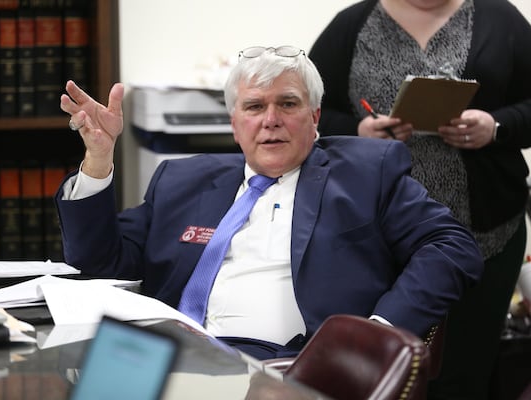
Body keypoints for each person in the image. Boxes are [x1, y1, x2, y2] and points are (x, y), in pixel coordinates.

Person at [56, 45, 483, 361]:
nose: (271, 120)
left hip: (287, 369)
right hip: (166, 359)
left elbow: (452, 247)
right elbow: (100, 263)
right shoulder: (181, 180)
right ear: (235, 123)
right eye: (255, 106)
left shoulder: (367, 172)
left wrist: (379, 332)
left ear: (315, 117)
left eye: (288, 104)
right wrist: (98, 158)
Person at [308, 0, 531, 399]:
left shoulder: (501, 19)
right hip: (374, 239)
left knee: (465, 373)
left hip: (486, 236)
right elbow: (309, 110)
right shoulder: (352, 25)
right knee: (375, 370)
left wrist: (496, 126)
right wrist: (357, 130)